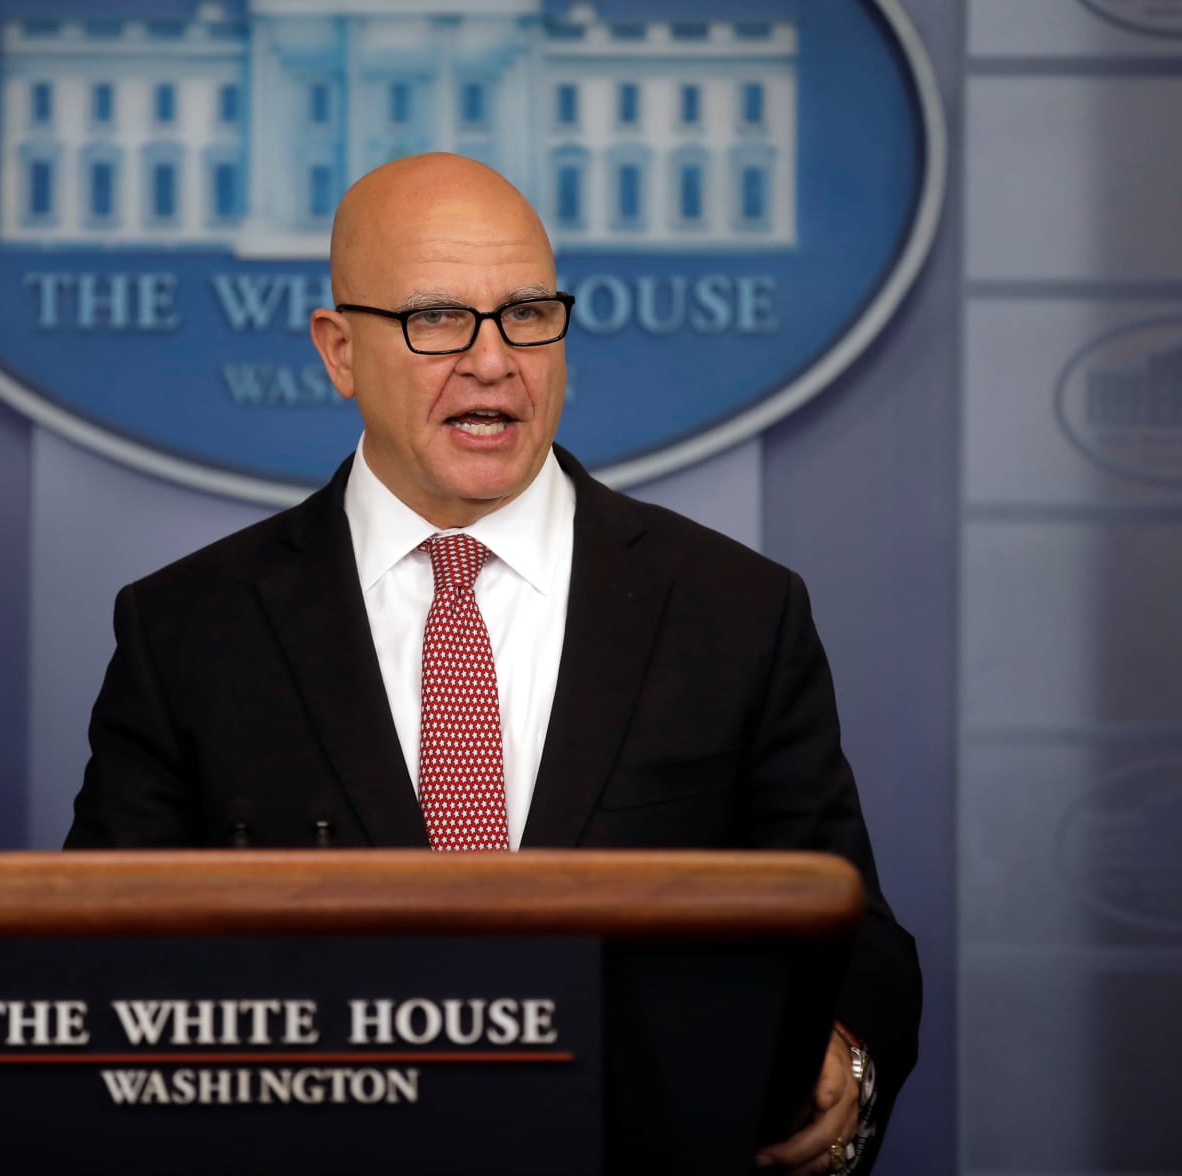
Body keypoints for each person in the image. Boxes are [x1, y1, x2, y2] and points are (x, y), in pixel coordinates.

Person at [66, 153, 919, 1174]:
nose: (492, 359)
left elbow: (851, 927)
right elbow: (105, 971)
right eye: (436, 319)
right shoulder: (189, 629)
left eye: (526, 312)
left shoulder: (735, 609)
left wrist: (847, 1062)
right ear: (339, 350)